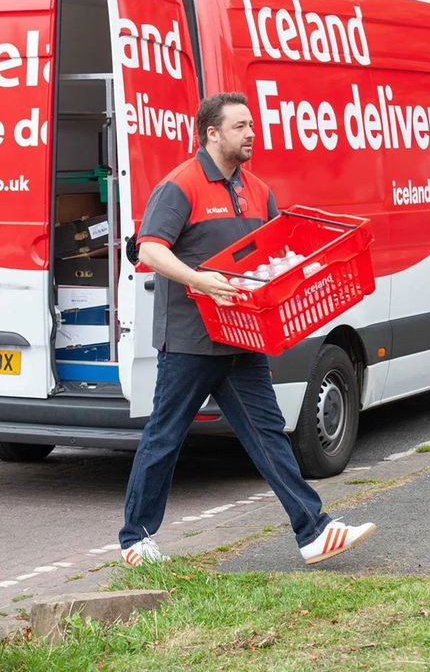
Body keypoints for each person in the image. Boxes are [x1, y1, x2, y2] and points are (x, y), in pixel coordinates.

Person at [118, 92, 376, 568]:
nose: (250, 133)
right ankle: (136, 540)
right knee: (165, 437)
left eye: (251, 125)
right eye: (239, 126)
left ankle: (313, 532)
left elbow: (276, 255)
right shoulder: (181, 185)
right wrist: (201, 281)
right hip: (191, 340)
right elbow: (149, 251)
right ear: (212, 133)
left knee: (269, 434)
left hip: (244, 338)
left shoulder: (258, 190)